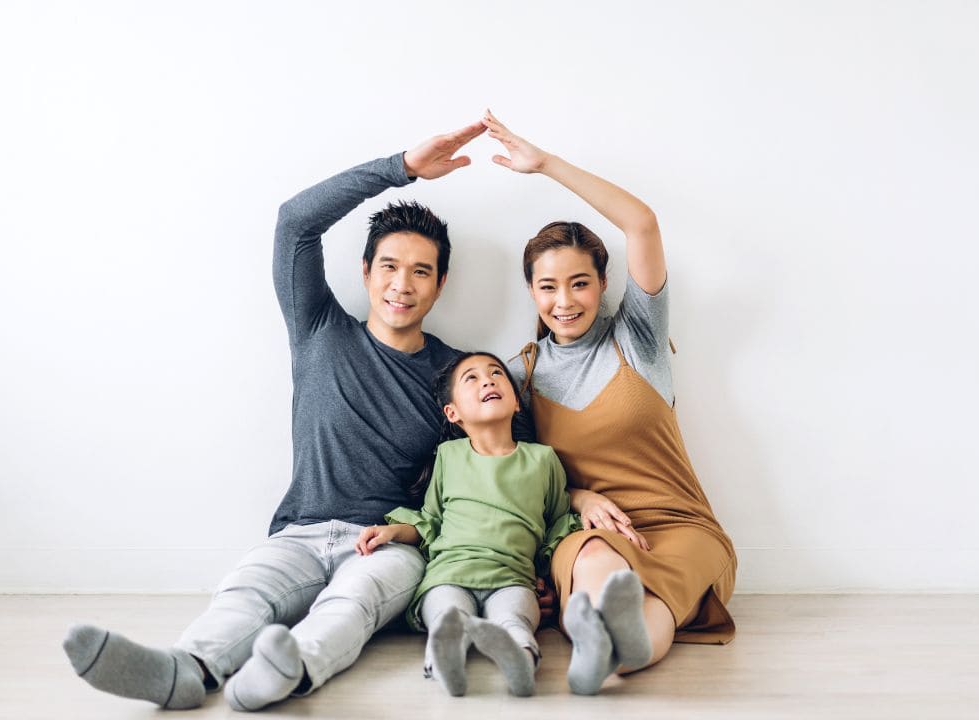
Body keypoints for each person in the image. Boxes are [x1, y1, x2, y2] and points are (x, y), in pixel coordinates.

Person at [61, 121, 487, 711]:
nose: (402, 284)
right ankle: (184, 670)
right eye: (389, 266)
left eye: (421, 271)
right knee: (246, 590)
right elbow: (295, 222)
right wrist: (402, 167)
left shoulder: (459, 375)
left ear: (440, 285)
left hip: (391, 542)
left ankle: (293, 669)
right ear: (365, 271)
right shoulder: (319, 329)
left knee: (353, 603)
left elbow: (501, 463)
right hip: (300, 531)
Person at [485, 110, 738, 695]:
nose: (565, 300)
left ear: (603, 284)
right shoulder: (519, 375)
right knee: (597, 562)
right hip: (589, 530)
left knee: (651, 599)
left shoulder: (637, 338)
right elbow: (516, 477)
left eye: (579, 282)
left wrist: (546, 164)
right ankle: (606, 648)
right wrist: (578, 497)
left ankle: (611, 651)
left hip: (680, 526)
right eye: (548, 286)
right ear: (531, 291)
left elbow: (642, 224)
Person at [355, 352, 579, 698]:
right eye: (471, 378)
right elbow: (430, 520)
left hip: (512, 577)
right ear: (452, 413)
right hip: (449, 574)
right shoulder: (449, 456)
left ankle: (520, 658)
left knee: (515, 618)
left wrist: (549, 579)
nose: (488, 380)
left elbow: (558, 525)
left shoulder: (543, 459)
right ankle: (445, 659)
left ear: (517, 403)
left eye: (496, 373)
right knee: (448, 616)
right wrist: (393, 531)